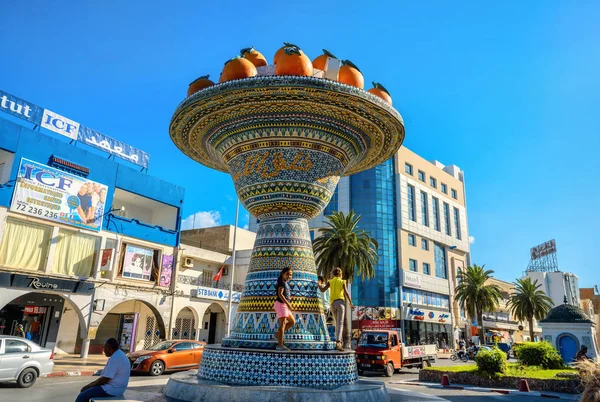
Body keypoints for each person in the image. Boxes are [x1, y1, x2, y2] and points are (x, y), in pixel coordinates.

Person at [319, 267, 353, 351]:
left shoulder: (330, 281)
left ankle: (337, 341)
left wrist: (319, 284)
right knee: (340, 323)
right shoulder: (342, 281)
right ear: (340, 274)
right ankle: (338, 342)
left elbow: (322, 290)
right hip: (340, 303)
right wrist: (350, 303)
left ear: (333, 274)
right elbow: (346, 292)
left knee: (337, 323)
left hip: (332, 304)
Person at [273, 267, 295, 351]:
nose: (289, 276)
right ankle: (280, 345)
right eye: (287, 274)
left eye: (290, 275)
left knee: (292, 322)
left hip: (284, 305)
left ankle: (277, 334)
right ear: (283, 274)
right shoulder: (281, 282)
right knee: (282, 324)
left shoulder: (285, 283)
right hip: (281, 305)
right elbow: (280, 294)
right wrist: (288, 304)